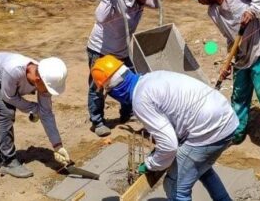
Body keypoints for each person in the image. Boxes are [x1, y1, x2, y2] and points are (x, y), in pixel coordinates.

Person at [91, 56, 238, 201]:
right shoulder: (150, 78)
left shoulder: (140, 100)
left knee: (175, 187)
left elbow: (169, 146)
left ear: (114, 90)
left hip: (209, 130)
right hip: (226, 118)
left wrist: (151, 164)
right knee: (199, 168)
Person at [184, 0, 260, 162]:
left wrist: (252, 10)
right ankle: (236, 132)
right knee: (238, 96)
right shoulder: (213, 12)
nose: (198, 2)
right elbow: (230, 36)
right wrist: (228, 60)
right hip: (241, 56)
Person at [86, 0, 162, 137]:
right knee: (98, 86)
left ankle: (127, 113)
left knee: (132, 81)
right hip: (101, 50)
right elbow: (100, 16)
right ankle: (97, 121)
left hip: (122, 49)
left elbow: (155, 4)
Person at [0, 52, 70, 178]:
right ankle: (8, 162)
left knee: (6, 113)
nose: (47, 92)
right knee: (6, 111)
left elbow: (46, 113)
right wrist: (33, 108)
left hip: (5, 80)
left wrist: (57, 145)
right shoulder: (13, 71)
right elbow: (9, 97)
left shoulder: (44, 78)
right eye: (47, 89)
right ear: (37, 79)